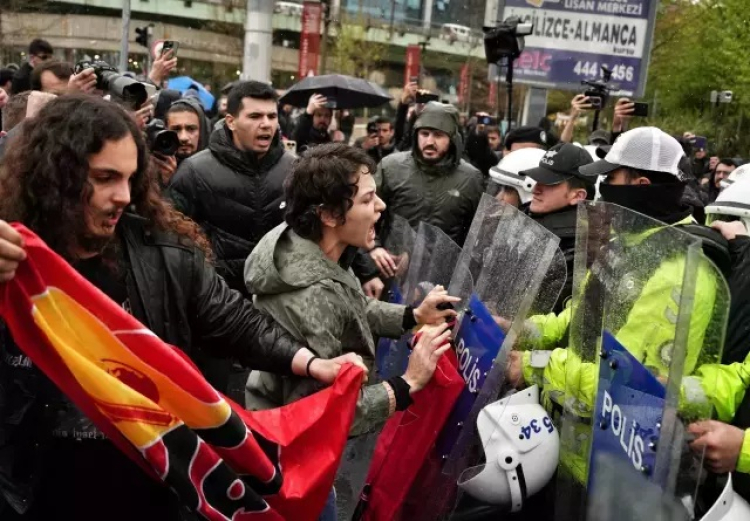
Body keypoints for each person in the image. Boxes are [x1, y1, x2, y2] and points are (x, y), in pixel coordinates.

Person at [0, 94, 359, 521]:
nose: (122, 195)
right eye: (105, 177)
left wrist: (312, 363)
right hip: (33, 486)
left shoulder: (165, 253)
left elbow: (234, 322)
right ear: (55, 176)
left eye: (130, 178)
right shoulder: (11, 255)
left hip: (144, 485)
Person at [508, 128, 733, 440]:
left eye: (610, 178)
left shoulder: (678, 271)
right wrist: (518, 331)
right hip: (567, 428)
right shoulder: (626, 242)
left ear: (640, 187)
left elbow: (624, 384)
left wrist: (534, 366)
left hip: (607, 452)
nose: (602, 190)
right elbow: (577, 319)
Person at [245, 143, 456, 435]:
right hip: (289, 447)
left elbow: (353, 305)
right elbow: (326, 415)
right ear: (330, 215)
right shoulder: (310, 299)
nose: (381, 206)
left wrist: (414, 315)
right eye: (368, 199)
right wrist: (409, 382)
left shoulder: (315, 247)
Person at [170, 80, 295, 295]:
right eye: (255, 116)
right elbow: (172, 243)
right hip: (217, 301)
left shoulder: (294, 169)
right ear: (231, 121)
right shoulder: (194, 172)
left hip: (279, 298)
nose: (266, 124)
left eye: (272, 116)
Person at [372, 101, 483, 264]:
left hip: (443, 273)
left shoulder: (470, 179)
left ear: (452, 138)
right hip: (392, 268)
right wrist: (373, 249)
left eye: (438, 135)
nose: (430, 142)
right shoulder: (391, 168)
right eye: (424, 134)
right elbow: (365, 216)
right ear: (416, 134)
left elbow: (477, 237)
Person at [520, 143, 595, 310]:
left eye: (549, 183)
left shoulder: (579, 249)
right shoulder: (527, 216)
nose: (535, 189)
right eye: (537, 179)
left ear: (578, 196)